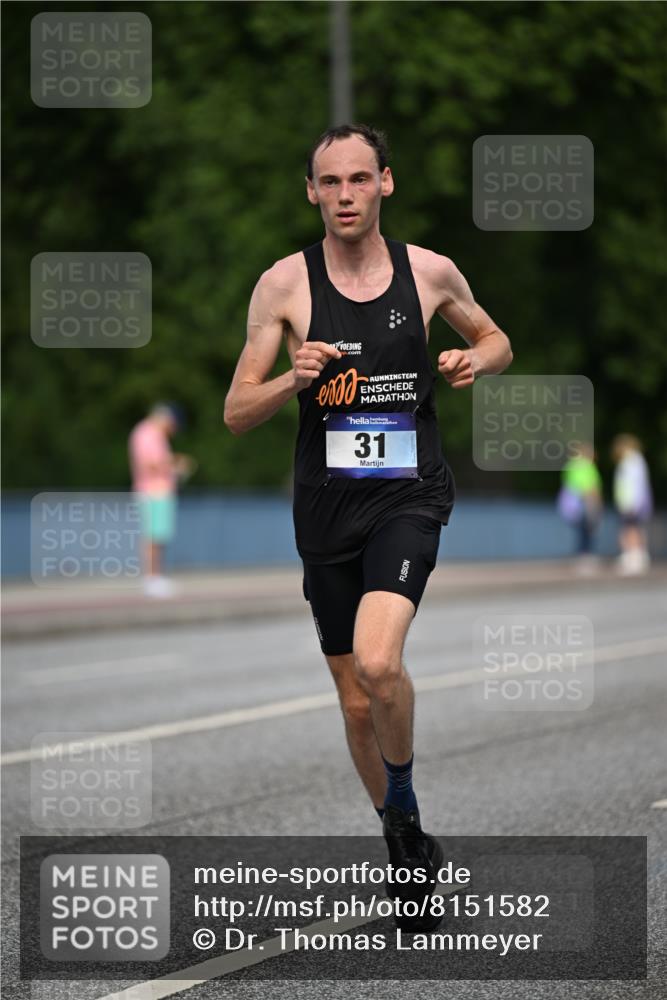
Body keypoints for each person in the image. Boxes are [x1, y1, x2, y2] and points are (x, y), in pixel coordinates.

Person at [224, 124, 512, 930]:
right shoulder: (282, 285)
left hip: (407, 495)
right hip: (325, 510)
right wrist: (292, 377)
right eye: (329, 182)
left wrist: (470, 362)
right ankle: (402, 835)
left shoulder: (428, 272)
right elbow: (236, 412)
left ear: (385, 183)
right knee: (354, 703)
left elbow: (496, 339)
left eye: (359, 179)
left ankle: (404, 809)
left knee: (380, 666)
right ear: (310, 193)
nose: (345, 195)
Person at [128, 402, 194, 598]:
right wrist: (176, 465)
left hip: (158, 492)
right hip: (153, 492)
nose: (172, 429)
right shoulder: (147, 433)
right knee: (152, 537)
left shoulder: (152, 434)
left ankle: (155, 576)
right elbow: (149, 464)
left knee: (158, 536)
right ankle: (151, 578)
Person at [612, 434, 652, 575]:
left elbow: (635, 485)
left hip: (631, 503)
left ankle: (634, 556)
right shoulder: (633, 461)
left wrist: (632, 503)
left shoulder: (632, 461)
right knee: (634, 528)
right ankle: (637, 556)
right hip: (631, 502)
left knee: (631, 529)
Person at [558, 443, 603, 572]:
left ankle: (581, 556)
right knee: (587, 532)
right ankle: (586, 558)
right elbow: (589, 488)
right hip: (586, 503)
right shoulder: (586, 466)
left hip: (573, 506)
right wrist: (596, 504)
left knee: (581, 532)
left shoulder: (570, 465)